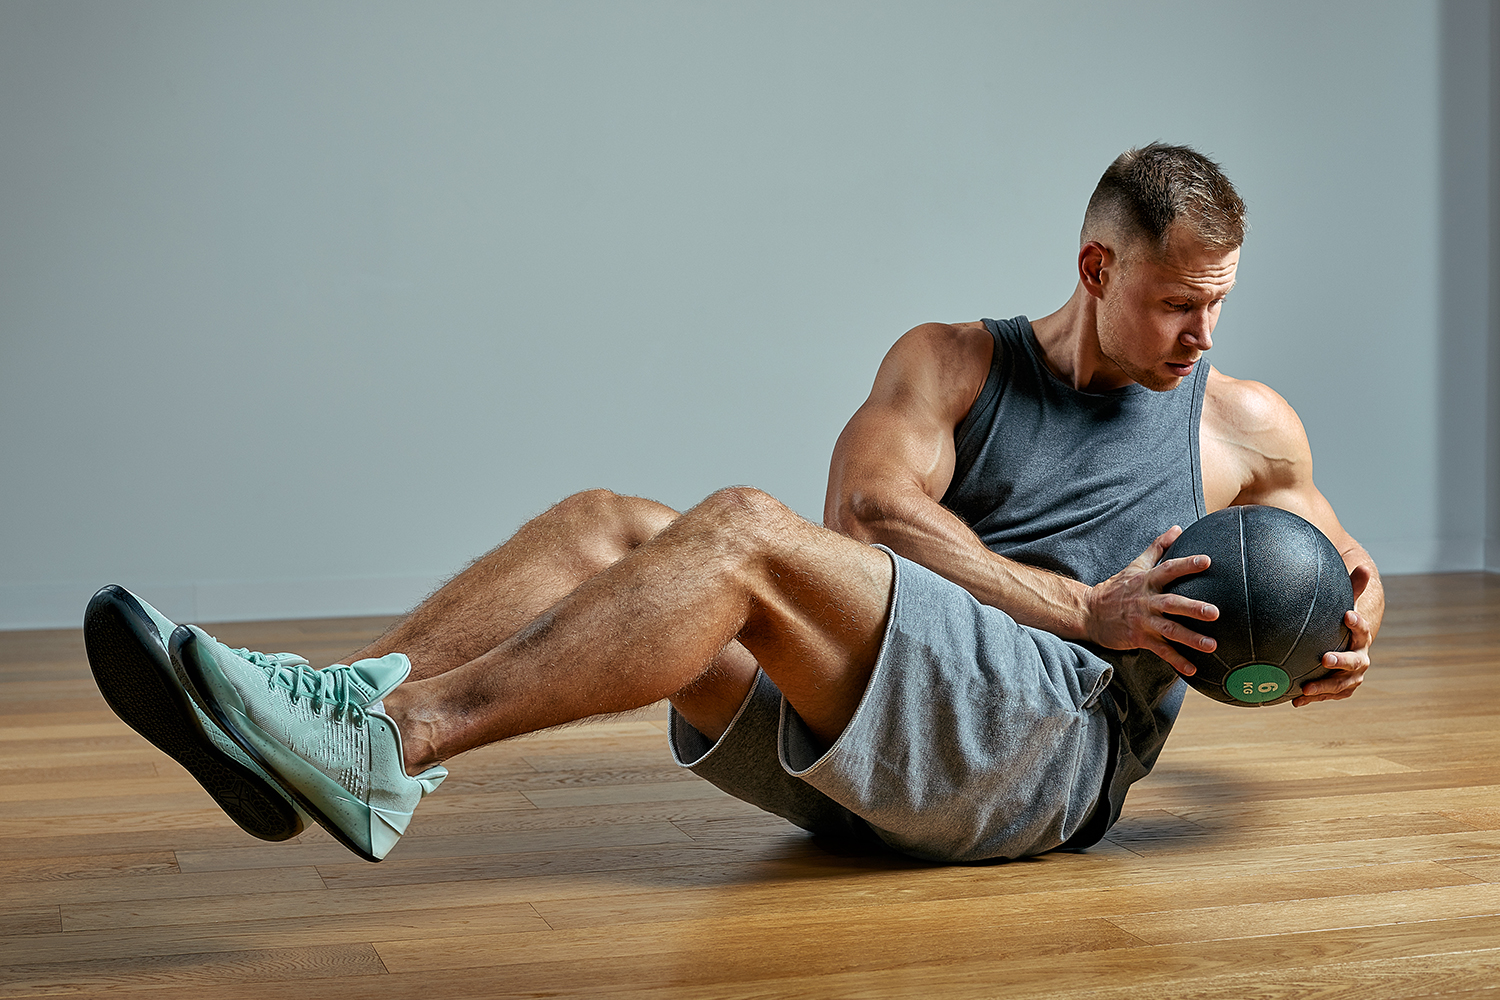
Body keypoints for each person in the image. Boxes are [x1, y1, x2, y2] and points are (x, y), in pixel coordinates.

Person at [85, 143, 1382, 865]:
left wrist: (1344, 629)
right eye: (1178, 299)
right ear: (1097, 267)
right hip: (884, 744)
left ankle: (384, 749)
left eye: (1221, 298)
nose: (1203, 331)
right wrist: (1079, 600)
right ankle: (333, 716)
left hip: (1051, 758)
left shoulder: (1235, 423)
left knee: (745, 534)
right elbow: (866, 517)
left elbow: (1345, 566)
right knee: (616, 524)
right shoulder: (953, 364)